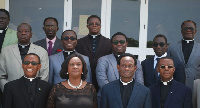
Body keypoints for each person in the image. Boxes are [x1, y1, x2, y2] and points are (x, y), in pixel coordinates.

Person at [96, 32, 144, 105]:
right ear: (111, 44)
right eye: (115, 42)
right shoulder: (102, 60)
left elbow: (139, 82)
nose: (119, 44)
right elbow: (102, 81)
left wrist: (130, 96)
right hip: (108, 99)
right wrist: (116, 96)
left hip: (130, 99)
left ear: (126, 44)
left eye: (122, 42)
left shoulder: (136, 62)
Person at [0, 23, 49, 91]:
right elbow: (2, 76)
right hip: (11, 94)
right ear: (16, 34)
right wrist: (8, 91)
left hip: (34, 94)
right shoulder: (6, 51)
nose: (23, 33)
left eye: (26, 31)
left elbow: (44, 76)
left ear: (31, 34)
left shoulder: (41, 51)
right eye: (20, 31)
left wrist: (37, 92)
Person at [76, 15, 112, 90]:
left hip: (104, 78)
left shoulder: (109, 42)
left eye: (97, 24)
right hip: (85, 77)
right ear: (87, 26)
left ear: (100, 26)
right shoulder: (79, 42)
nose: (94, 25)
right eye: (91, 24)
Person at [168, 20, 200, 90]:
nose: (188, 30)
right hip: (175, 86)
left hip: (195, 87)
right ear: (181, 31)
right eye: (186, 28)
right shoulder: (172, 48)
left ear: (195, 31)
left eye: (191, 28)